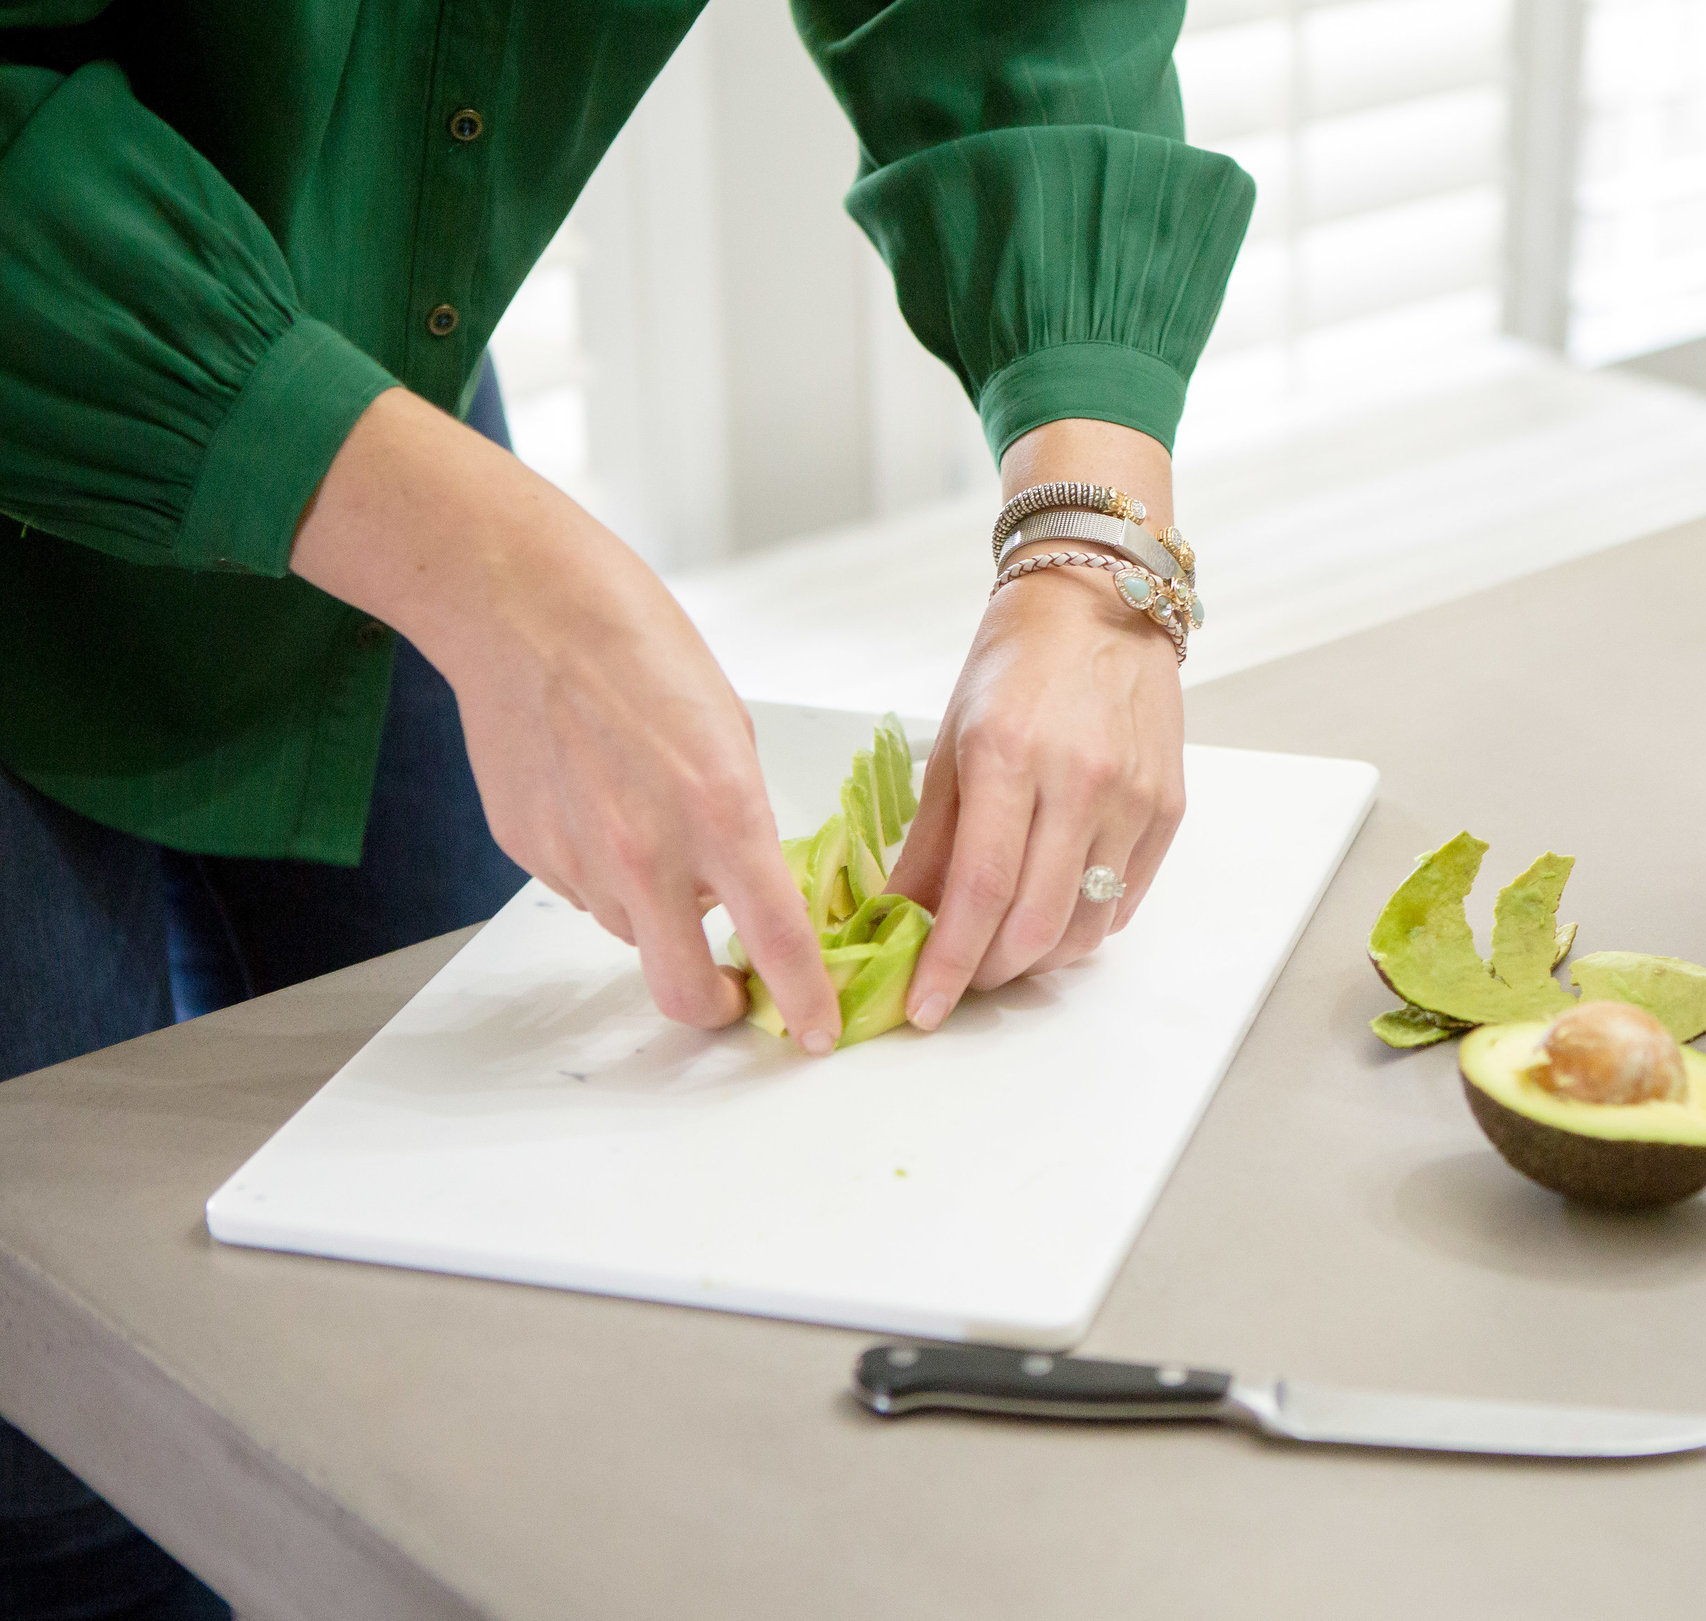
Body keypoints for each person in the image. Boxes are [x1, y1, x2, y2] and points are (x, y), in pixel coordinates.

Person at [0, 2, 1251, 1615]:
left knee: (477, 1307)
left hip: (350, 325)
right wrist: (486, 566)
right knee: (63, 1454)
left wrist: (1093, 543)